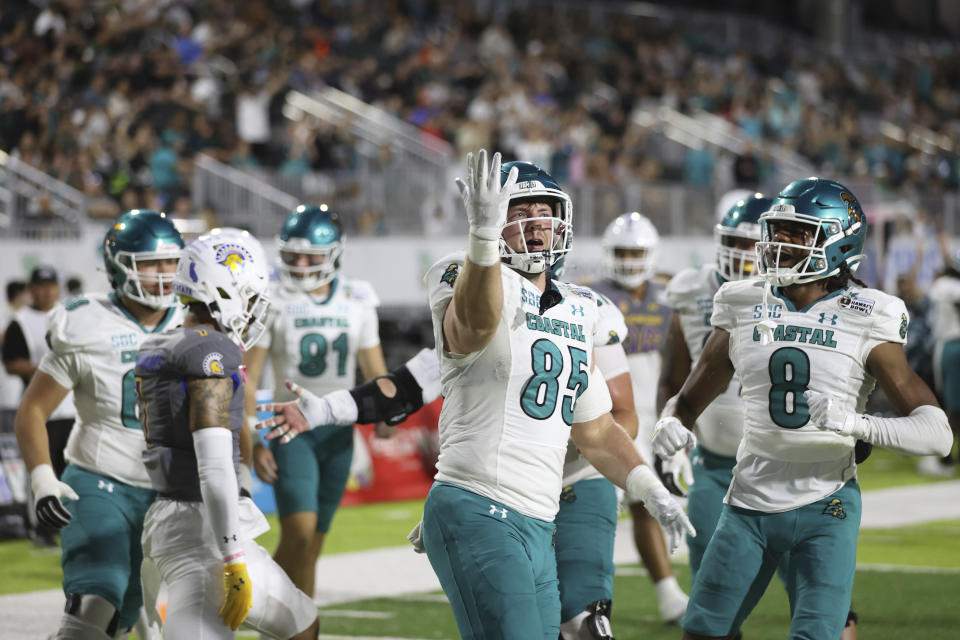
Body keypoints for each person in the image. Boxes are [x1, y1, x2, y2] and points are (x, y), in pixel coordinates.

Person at [652, 177, 953, 640]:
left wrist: (855, 424)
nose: (780, 243)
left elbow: (937, 433)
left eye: (799, 233)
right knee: (703, 631)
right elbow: (689, 398)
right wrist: (671, 423)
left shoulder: (867, 312)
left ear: (839, 240)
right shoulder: (741, 300)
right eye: (778, 231)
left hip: (825, 501)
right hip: (748, 500)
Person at [424, 149, 693, 639]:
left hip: (539, 515)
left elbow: (596, 429)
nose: (535, 225)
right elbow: (475, 327)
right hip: (480, 502)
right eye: (519, 213)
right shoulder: (461, 272)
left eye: (543, 213)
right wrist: (482, 239)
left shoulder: (579, 307)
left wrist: (650, 489)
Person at [136, 231, 319, 639]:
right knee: (301, 622)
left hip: (169, 517)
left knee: (304, 619)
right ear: (225, 292)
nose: (254, 310)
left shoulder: (163, 342)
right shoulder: (211, 351)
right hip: (206, 535)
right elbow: (215, 468)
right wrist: (233, 559)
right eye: (250, 297)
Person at [13, 210, 183, 639]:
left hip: (166, 494)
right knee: (94, 604)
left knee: (121, 620)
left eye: (169, 262)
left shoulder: (197, 319)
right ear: (119, 266)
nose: (162, 274)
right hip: (98, 478)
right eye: (148, 263)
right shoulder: (86, 322)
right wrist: (41, 478)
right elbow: (32, 410)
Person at [243, 204, 389, 600]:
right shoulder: (272, 297)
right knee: (300, 534)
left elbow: (374, 368)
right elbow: (249, 376)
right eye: (293, 255)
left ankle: (289, 620)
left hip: (337, 432)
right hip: (291, 430)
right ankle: (270, 611)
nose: (301, 263)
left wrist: (388, 411)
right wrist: (254, 439)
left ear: (334, 254)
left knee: (312, 547)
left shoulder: (357, 297)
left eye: (312, 256)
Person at [592, 211, 689, 623]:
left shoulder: (671, 297)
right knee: (596, 510)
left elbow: (680, 366)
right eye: (622, 251)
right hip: (605, 418)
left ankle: (669, 592)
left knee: (649, 504)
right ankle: (586, 598)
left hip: (653, 415)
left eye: (636, 251)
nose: (630, 259)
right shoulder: (590, 296)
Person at [919, 248, 960, 477]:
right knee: (953, 406)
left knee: (952, 405)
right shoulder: (948, 285)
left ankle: (946, 457)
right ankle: (945, 456)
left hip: (949, 346)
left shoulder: (942, 284)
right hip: (952, 345)